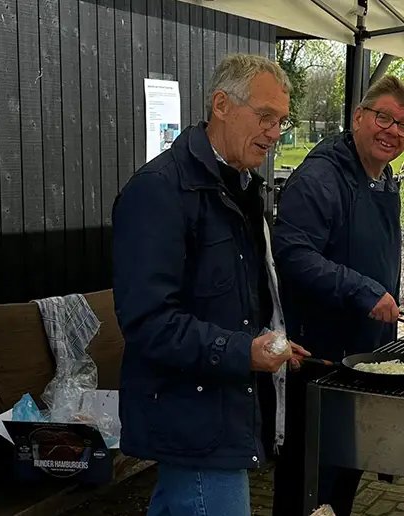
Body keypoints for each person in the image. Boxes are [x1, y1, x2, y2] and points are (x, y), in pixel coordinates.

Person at [111, 53, 308, 516]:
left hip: (222, 414)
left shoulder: (242, 187)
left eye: (281, 120)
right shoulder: (158, 191)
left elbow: (238, 298)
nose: (275, 133)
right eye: (265, 117)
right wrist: (245, 351)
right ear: (221, 104)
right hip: (192, 423)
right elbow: (149, 322)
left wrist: (266, 339)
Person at [271, 75, 404, 515]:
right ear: (359, 117)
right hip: (320, 359)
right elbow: (293, 255)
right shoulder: (320, 177)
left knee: (348, 469)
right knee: (310, 479)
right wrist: (363, 291)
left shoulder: (383, 178)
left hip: (366, 358)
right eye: (383, 118)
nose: (392, 131)